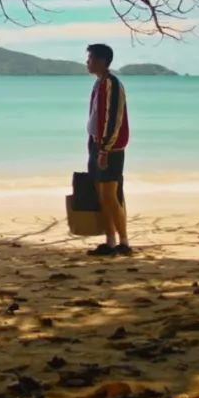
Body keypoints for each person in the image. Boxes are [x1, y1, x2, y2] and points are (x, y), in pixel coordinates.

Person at [85, 43, 132, 257]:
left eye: (90, 58)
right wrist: (93, 145)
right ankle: (110, 241)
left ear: (102, 61)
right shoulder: (99, 83)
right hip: (98, 145)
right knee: (102, 196)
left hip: (111, 148)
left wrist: (105, 149)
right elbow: (96, 117)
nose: (87, 62)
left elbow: (113, 119)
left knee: (111, 196)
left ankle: (124, 242)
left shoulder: (112, 84)